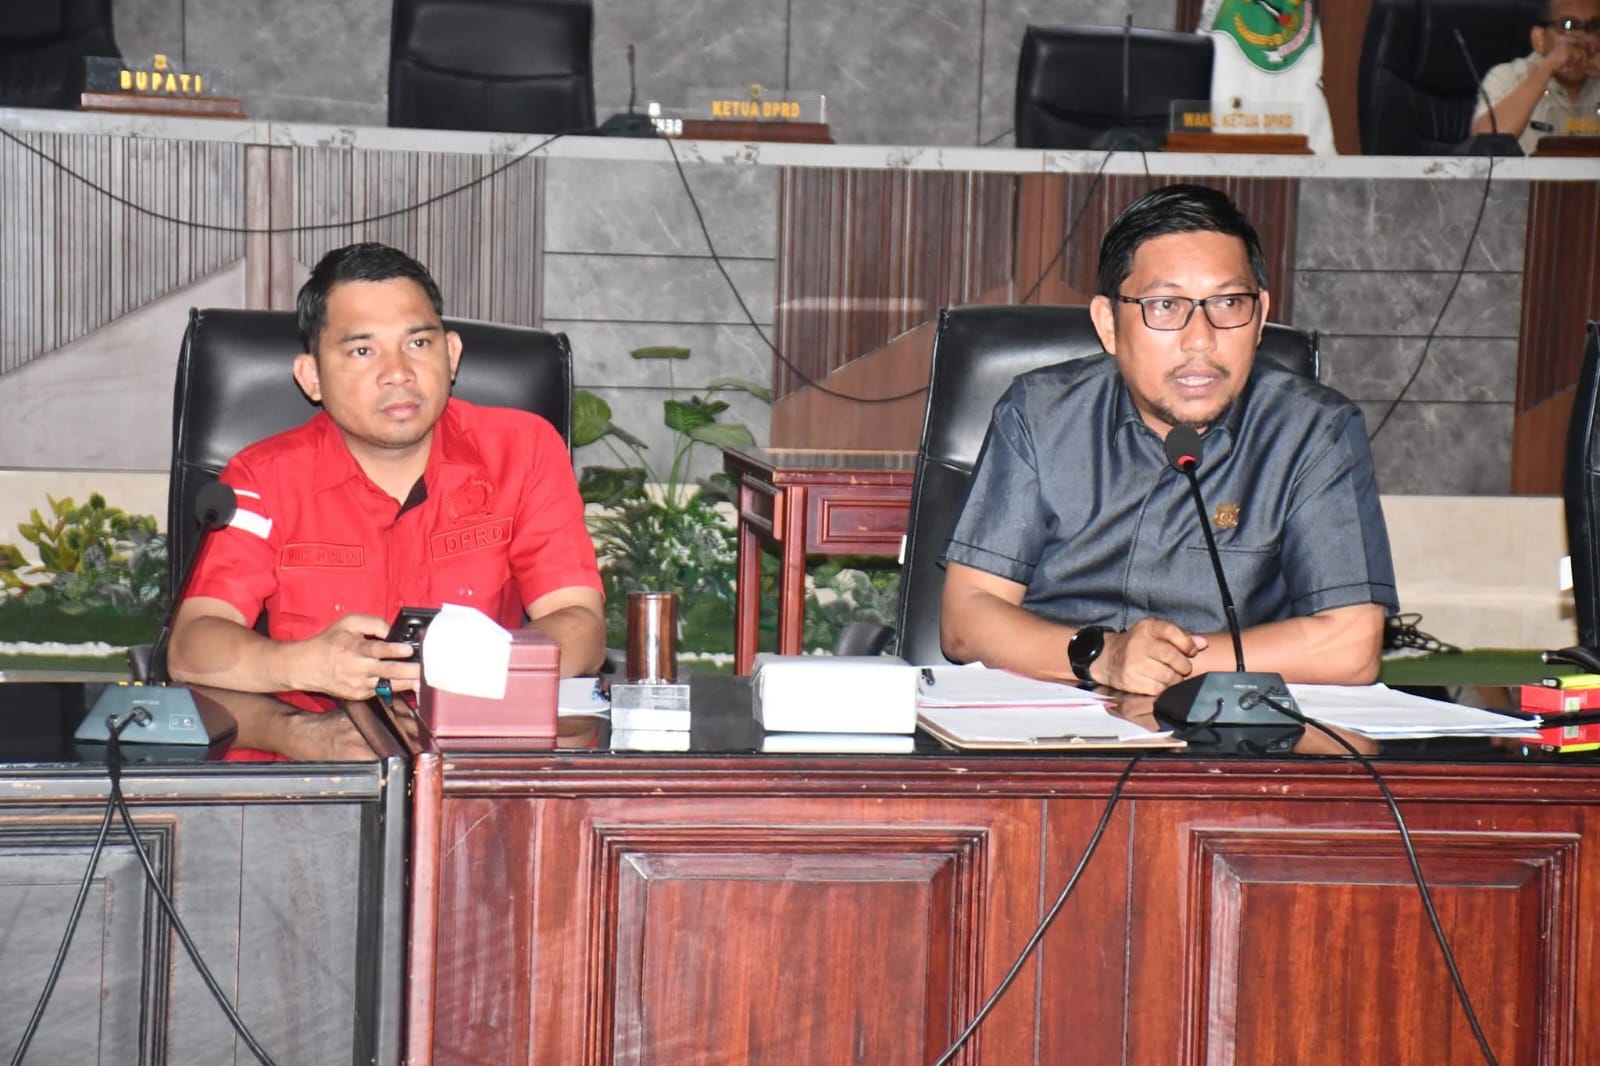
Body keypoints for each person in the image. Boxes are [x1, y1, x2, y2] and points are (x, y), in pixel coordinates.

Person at [939, 184, 1397, 695]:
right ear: (1108, 324)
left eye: (1228, 302)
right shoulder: (1040, 415)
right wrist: (1104, 657)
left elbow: (1351, 645)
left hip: (1224, 726)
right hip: (1051, 712)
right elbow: (966, 617)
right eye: (1164, 305)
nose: (1201, 339)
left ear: (1260, 317)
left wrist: (1162, 666)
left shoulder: (1313, 432)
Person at [167, 243, 606, 728]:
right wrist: (308, 667)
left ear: (452, 354)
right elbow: (192, 646)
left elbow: (580, 624)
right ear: (312, 377)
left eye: (418, 344)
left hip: (474, 746)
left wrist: (471, 669)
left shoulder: (522, 452)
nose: (398, 373)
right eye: (362, 350)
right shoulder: (263, 477)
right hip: (315, 754)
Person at [1471, 0, 1600, 155]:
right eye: (1568, 25)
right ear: (1539, 39)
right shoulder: (1510, 77)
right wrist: (1546, 69)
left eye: (1595, 26)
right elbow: (1485, 144)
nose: (1585, 39)